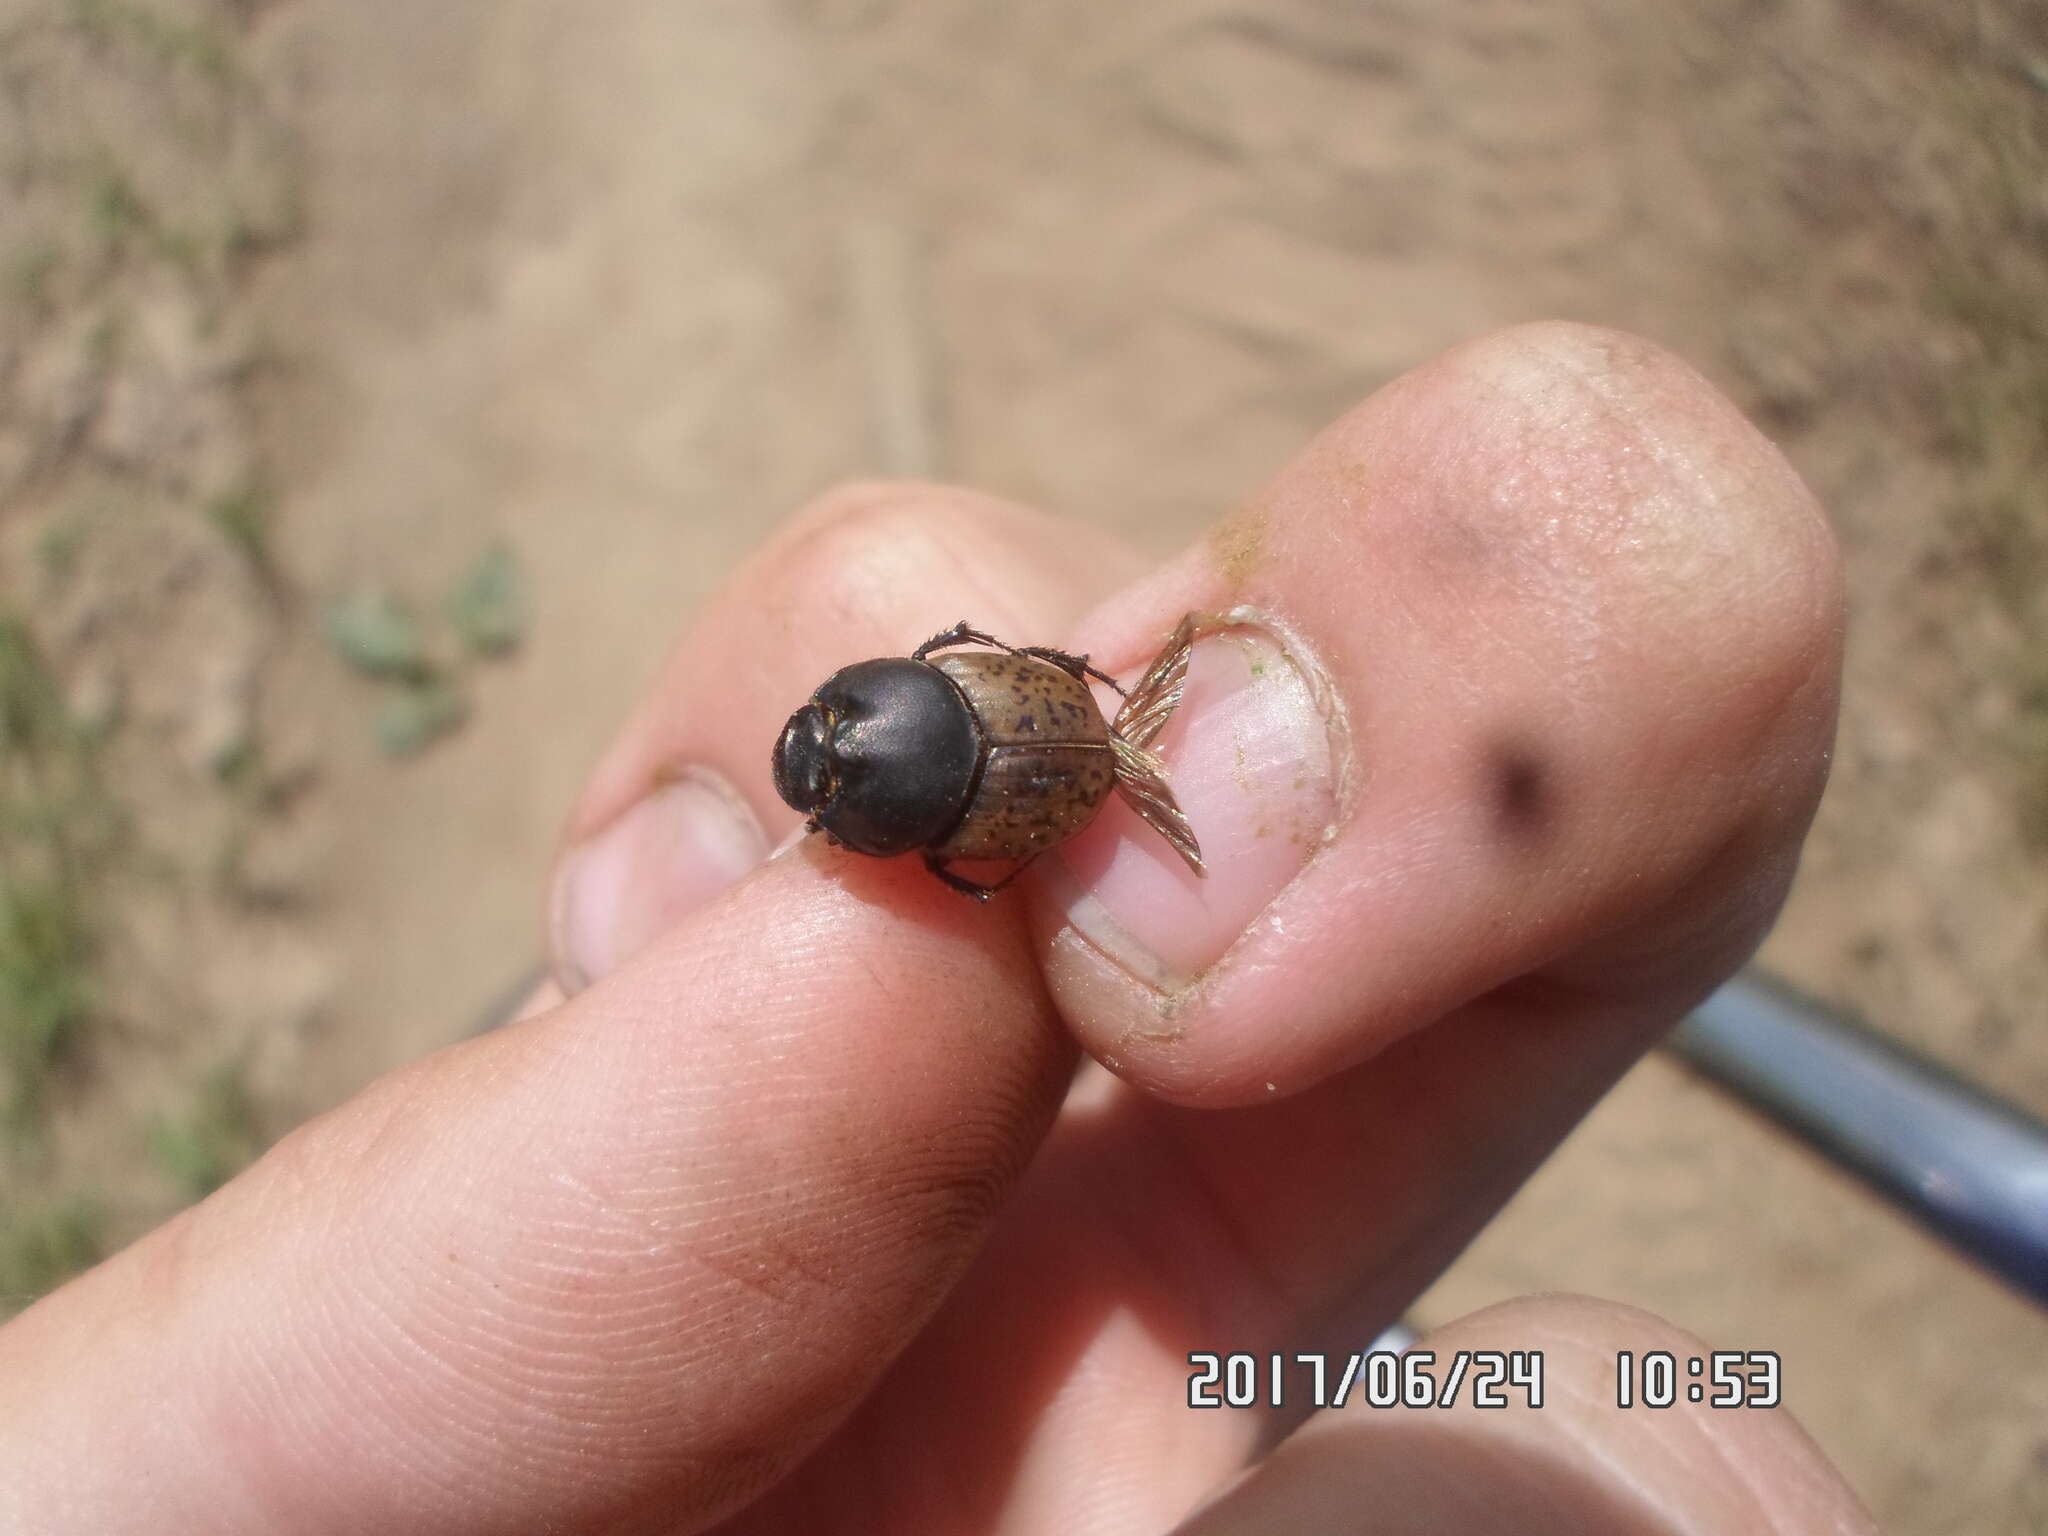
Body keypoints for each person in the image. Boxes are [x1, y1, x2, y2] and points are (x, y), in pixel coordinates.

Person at [0, 323, 1874, 1533]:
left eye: (821, 759)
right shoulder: (906, 784)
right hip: (998, 758)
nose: (812, 763)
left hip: (1003, 759)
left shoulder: (925, 778)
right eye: (822, 766)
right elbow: (943, 733)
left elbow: (958, 724)